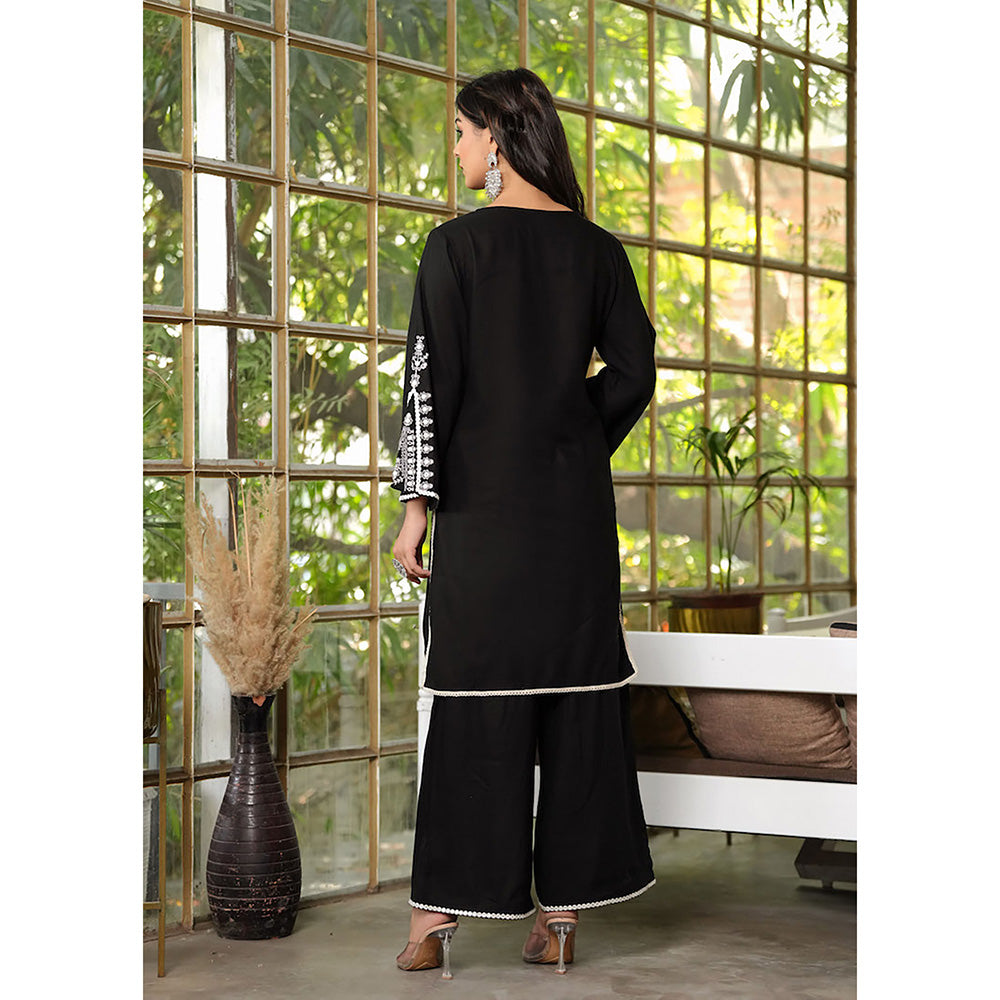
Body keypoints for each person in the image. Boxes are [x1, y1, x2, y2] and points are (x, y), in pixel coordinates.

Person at [389, 66, 657, 979]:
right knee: (574, 700)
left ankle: (434, 919)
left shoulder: (456, 248)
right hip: (573, 521)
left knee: (476, 698)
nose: (457, 148)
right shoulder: (599, 251)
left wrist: (415, 509)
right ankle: (563, 917)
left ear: (496, 138)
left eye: (462, 133)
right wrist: (573, 434)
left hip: (486, 516)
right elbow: (634, 372)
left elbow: (428, 385)